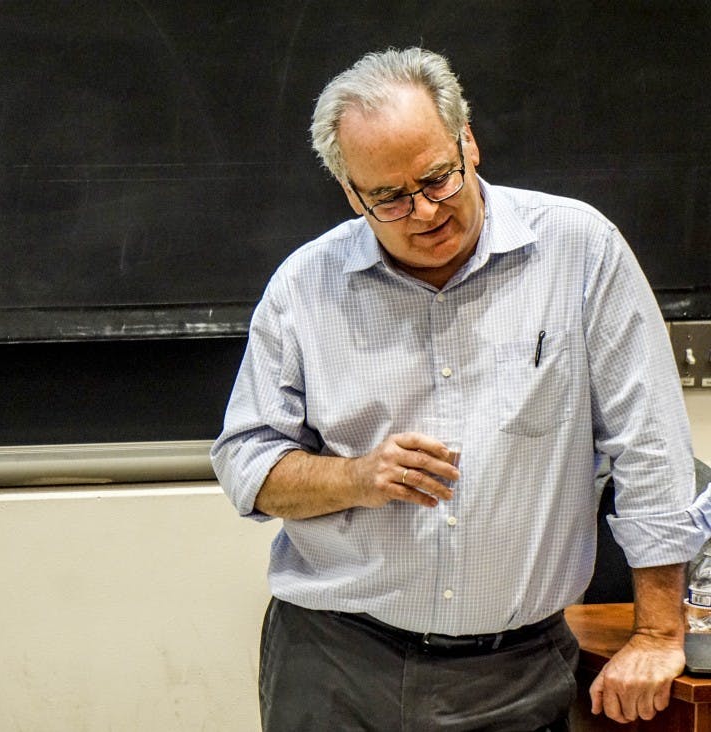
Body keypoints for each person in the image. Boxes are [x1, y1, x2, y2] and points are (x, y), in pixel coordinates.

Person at [210, 47, 706, 730]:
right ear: (352, 194)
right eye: (389, 197)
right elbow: (246, 463)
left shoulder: (579, 250)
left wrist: (657, 632)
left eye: (437, 178)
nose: (423, 211)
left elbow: (650, 443)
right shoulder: (305, 287)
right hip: (336, 664)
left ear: (467, 143)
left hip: (516, 671)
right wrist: (357, 477)